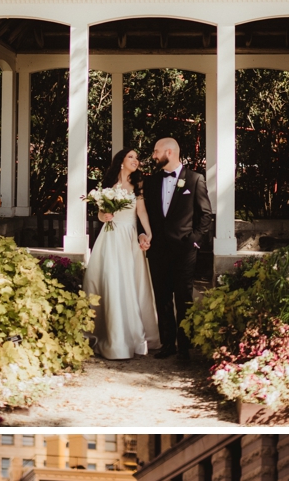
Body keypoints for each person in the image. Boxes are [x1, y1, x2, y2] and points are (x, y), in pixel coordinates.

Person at [84, 147, 160, 361]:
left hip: (129, 238)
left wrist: (148, 233)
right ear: (121, 161)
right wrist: (103, 215)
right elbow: (100, 213)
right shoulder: (108, 186)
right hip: (110, 238)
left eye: (137, 157)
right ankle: (110, 335)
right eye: (131, 157)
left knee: (131, 282)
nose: (136, 160)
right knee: (110, 279)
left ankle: (134, 336)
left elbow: (141, 211)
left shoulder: (138, 184)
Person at [146, 136, 214, 361]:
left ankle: (185, 346)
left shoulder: (195, 179)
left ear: (169, 152)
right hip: (158, 250)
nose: (153, 156)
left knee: (184, 297)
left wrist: (195, 240)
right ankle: (168, 344)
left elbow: (205, 214)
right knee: (162, 297)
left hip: (184, 250)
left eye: (156, 152)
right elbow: (145, 215)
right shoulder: (151, 181)